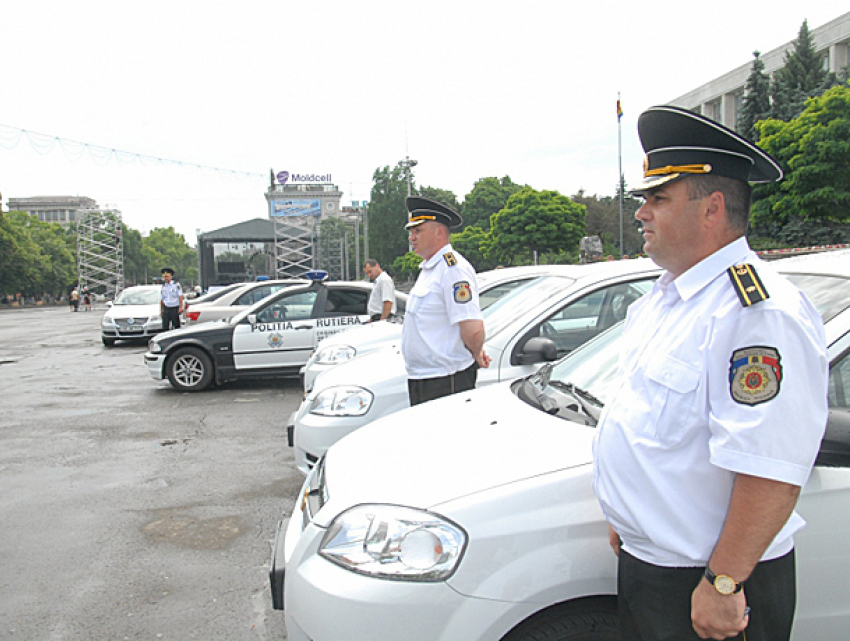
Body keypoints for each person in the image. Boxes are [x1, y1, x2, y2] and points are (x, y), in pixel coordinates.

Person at [592, 105, 828, 641]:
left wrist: (723, 581)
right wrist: (628, 516)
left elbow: (770, 468)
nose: (641, 214)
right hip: (653, 567)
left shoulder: (756, 313)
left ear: (712, 208)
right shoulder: (666, 299)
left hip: (713, 581)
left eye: (658, 198)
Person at [401, 196, 491, 406]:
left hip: (445, 379)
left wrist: (476, 353)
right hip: (425, 378)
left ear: (439, 232)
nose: (411, 237)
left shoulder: (453, 269)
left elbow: (473, 327)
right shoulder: (431, 268)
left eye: (418, 231)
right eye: (411, 232)